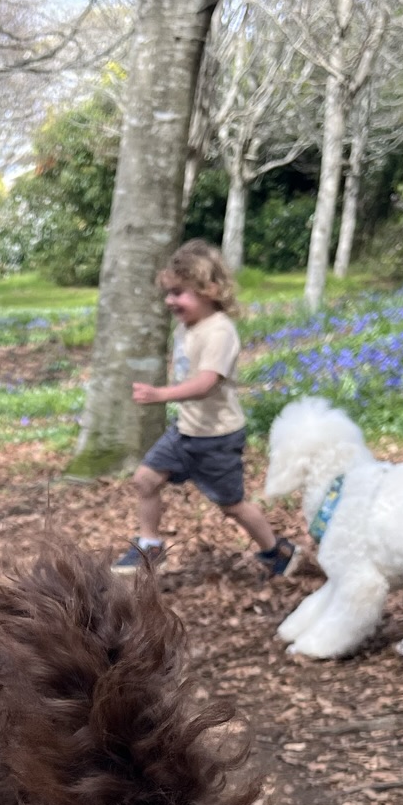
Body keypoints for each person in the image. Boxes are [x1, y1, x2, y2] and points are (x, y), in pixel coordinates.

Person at [112, 240, 297, 579]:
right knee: (145, 479)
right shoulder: (188, 327)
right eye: (168, 293)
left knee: (232, 507)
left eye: (179, 292)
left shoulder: (220, 332)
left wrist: (160, 394)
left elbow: (206, 383)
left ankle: (277, 551)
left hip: (217, 438)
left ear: (210, 289)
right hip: (186, 432)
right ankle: (150, 546)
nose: (170, 301)